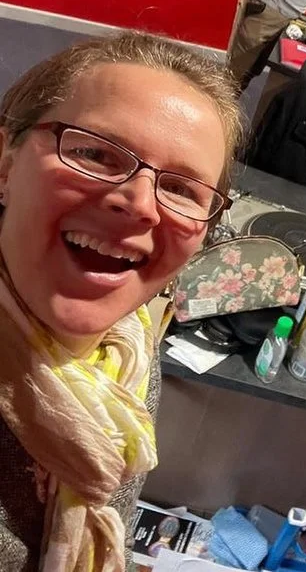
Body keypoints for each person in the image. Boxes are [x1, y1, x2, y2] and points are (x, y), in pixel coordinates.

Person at [0, 33, 242, 569]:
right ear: (5, 163)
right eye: (94, 153)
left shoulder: (128, 351)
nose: (140, 205)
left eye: (182, 188)